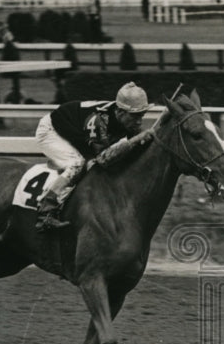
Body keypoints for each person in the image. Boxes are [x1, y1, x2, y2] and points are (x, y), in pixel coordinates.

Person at [33, 81, 152, 231]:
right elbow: (103, 159)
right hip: (51, 130)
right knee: (78, 164)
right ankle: (46, 211)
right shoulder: (99, 120)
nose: (139, 121)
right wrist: (136, 139)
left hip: (74, 132)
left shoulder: (122, 116)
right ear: (120, 112)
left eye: (142, 115)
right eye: (135, 116)